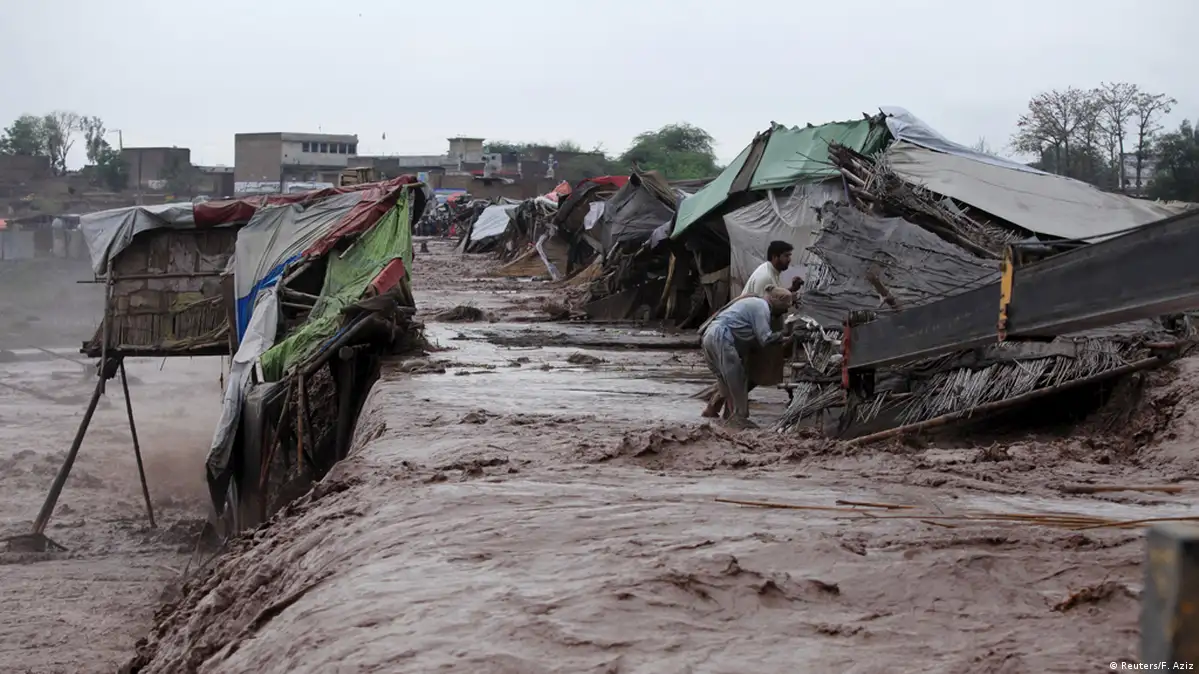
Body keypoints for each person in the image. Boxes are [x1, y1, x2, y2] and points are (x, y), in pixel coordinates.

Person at [700, 286, 793, 429]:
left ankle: (721, 418)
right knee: (737, 382)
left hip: (710, 336)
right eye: (784, 308)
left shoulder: (755, 303)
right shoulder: (762, 307)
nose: (785, 312)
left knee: (726, 384)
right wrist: (787, 335)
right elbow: (765, 338)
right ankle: (739, 419)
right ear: (777, 303)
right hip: (721, 337)